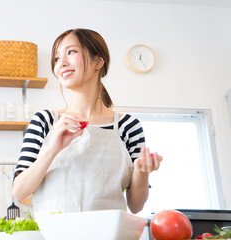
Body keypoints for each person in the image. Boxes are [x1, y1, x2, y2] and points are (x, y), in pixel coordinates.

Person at [13, 28, 163, 214]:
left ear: (98, 61)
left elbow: (135, 205)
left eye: (71, 52)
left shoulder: (128, 126)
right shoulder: (45, 121)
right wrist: (53, 149)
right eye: (57, 58)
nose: (61, 63)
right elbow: (19, 192)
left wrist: (142, 171)